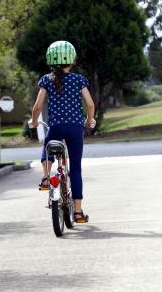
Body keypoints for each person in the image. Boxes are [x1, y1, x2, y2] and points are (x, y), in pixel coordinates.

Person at [29, 41, 95, 223]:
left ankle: (45, 177)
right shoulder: (79, 80)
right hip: (75, 129)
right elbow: (90, 104)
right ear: (72, 60)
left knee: (48, 146)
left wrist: (34, 122)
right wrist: (89, 120)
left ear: (50, 60)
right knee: (75, 169)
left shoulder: (46, 80)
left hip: (56, 127)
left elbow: (37, 106)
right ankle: (79, 212)